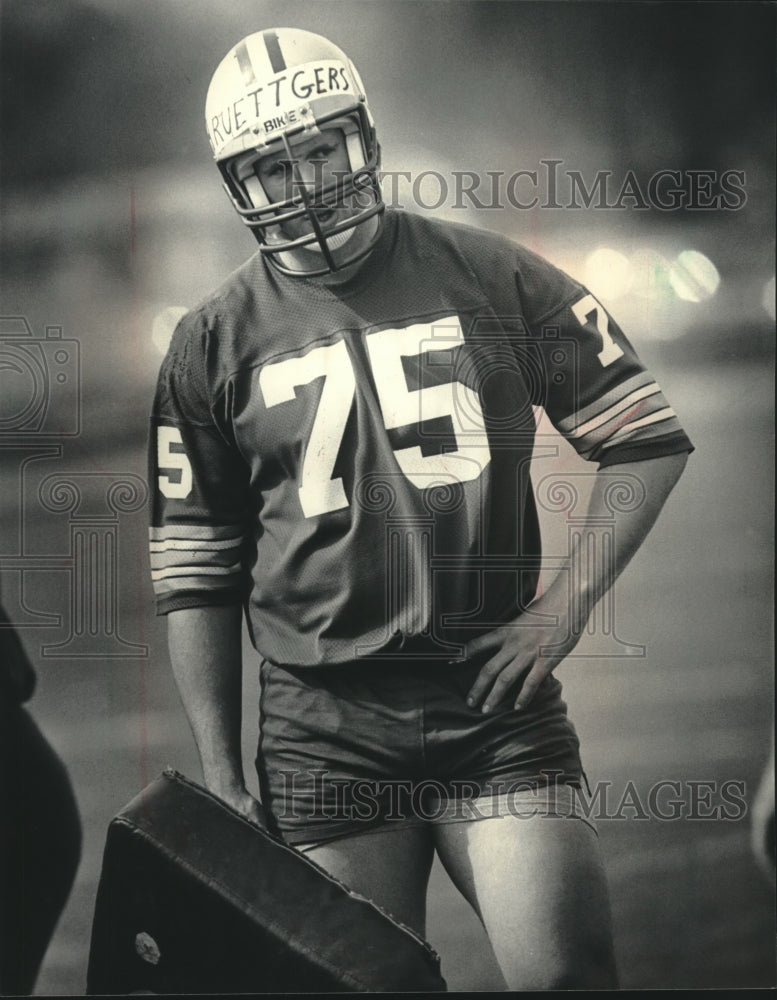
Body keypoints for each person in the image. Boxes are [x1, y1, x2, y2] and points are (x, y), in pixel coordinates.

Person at [149, 28, 693, 990]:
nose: (306, 183)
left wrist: (561, 611)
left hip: (490, 702)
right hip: (323, 724)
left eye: (322, 148)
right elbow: (197, 569)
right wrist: (221, 770)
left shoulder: (489, 272)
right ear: (237, 183)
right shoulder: (211, 341)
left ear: (363, 138)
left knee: (565, 977)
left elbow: (643, 439)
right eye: (273, 166)